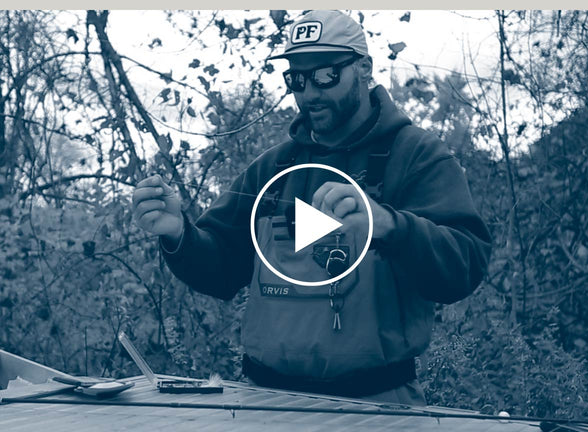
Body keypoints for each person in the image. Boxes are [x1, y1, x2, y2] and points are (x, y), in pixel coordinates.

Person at [132, 10, 492, 406]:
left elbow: (464, 266)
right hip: (264, 404)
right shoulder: (274, 168)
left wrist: (389, 225)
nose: (309, 92)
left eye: (325, 75)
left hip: (379, 407)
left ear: (364, 68)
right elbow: (222, 270)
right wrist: (178, 234)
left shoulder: (416, 155)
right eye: (297, 79)